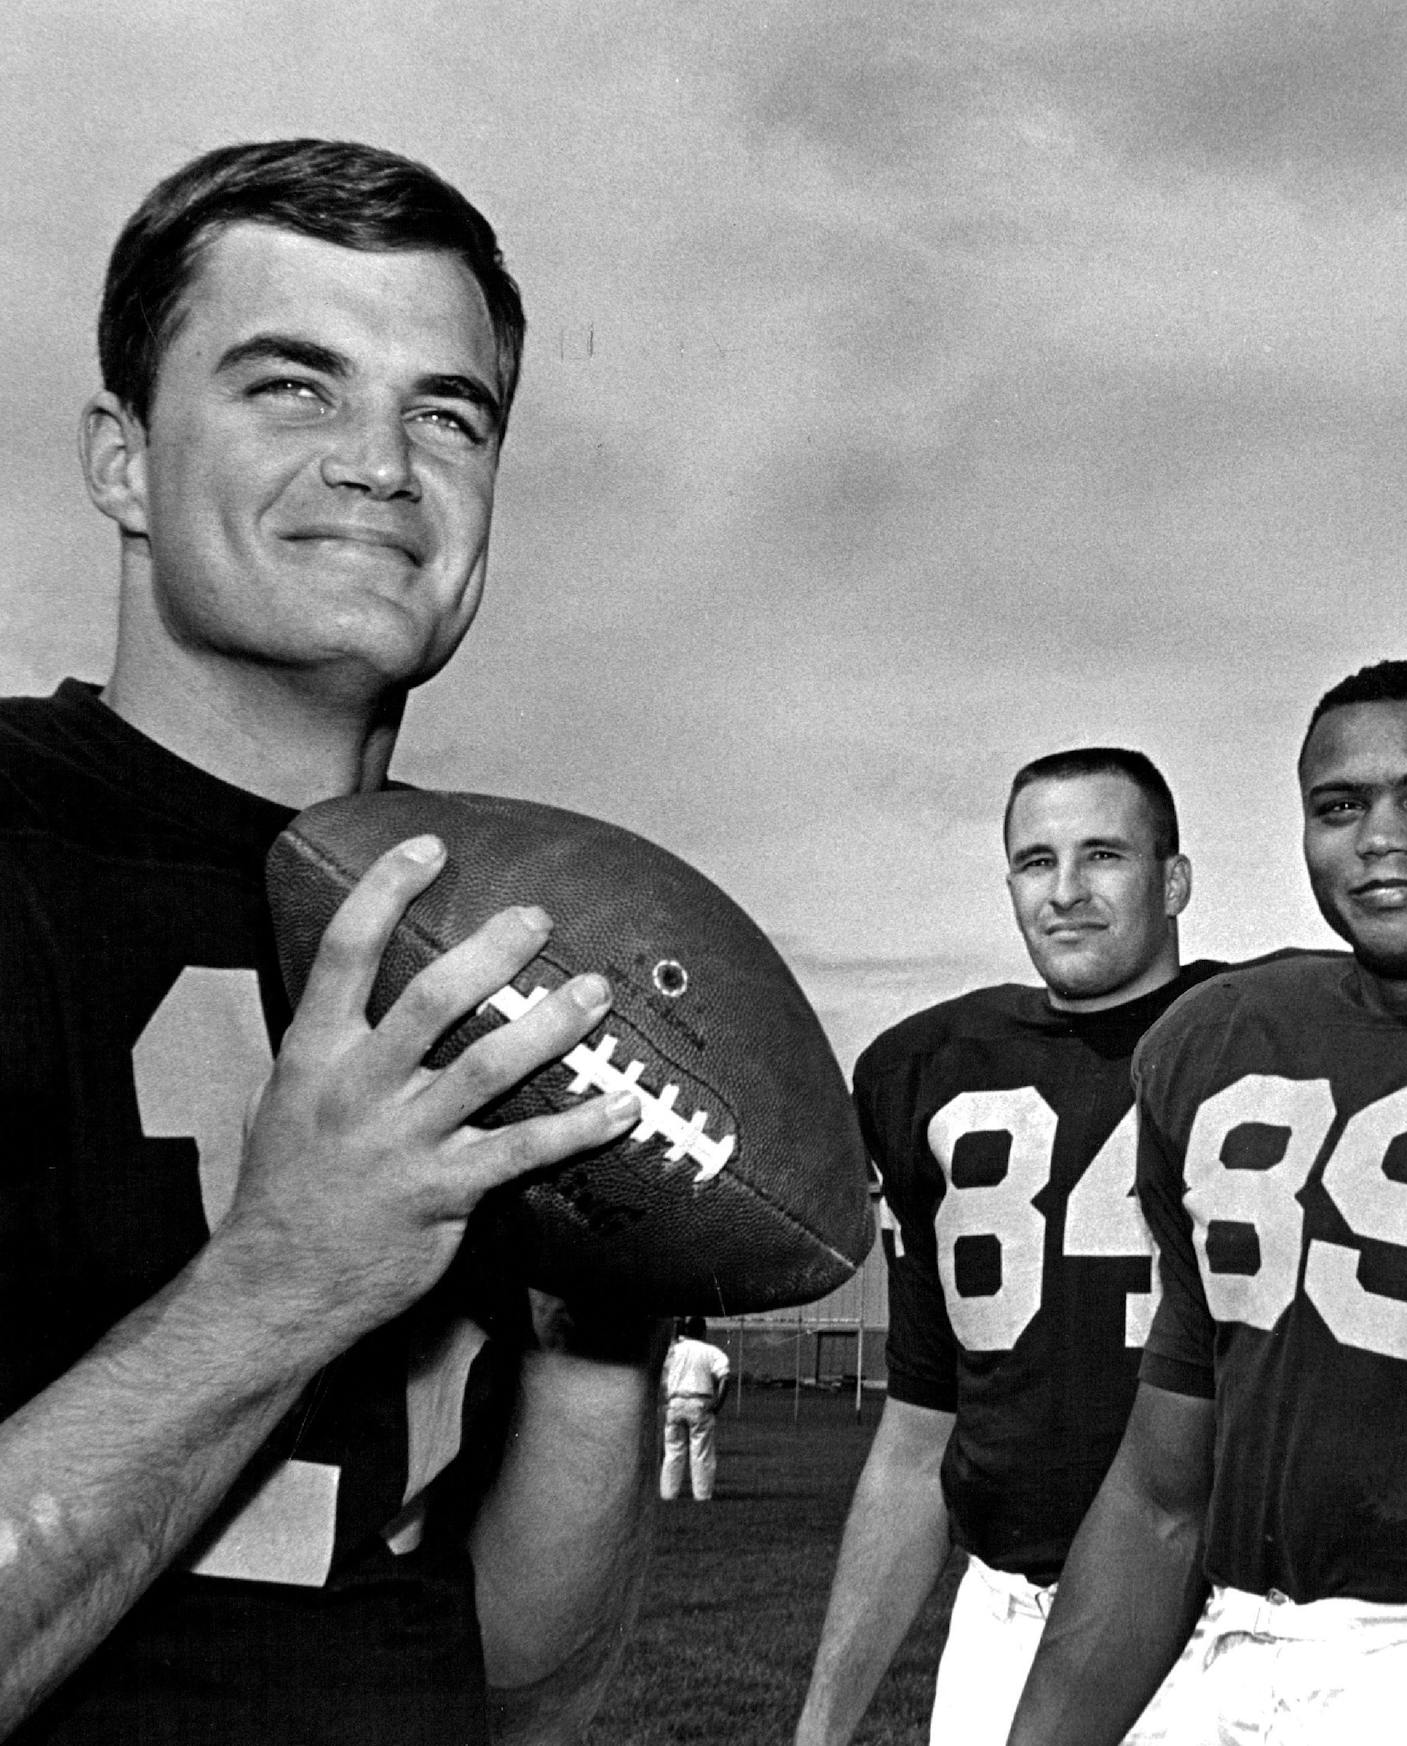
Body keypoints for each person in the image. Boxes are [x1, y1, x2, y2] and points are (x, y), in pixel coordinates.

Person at [0, 139, 664, 1742]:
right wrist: (288, 1279)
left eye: (448, 411)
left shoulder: (510, 927)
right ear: (122, 460)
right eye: (291, 385)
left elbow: (517, 1680)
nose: (382, 461)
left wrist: (607, 1318)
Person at [1008, 661, 1407, 1746]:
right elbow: (1166, 1487)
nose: (1381, 838)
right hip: (1235, 1647)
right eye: (1340, 806)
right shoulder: (1218, 1043)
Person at [795, 748, 1227, 1746]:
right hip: (1006, 1619)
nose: (1067, 892)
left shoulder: (1258, 1036)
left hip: (1220, 1628)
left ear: (1175, 880)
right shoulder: (926, 1069)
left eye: (1103, 855)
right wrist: (822, 1725)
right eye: (1037, 862)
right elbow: (918, 1438)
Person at [660, 1318, 732, 1502]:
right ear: (703, 1331)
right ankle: (702, 1496)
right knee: (701, 1453)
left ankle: (668, 1494)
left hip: (675, 1403)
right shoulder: (711, 1352)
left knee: (673, 1452)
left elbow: (662, 1378)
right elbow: (725, 1377)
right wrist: (717, 1404)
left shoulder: (673, 1351)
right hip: (699, 1402)